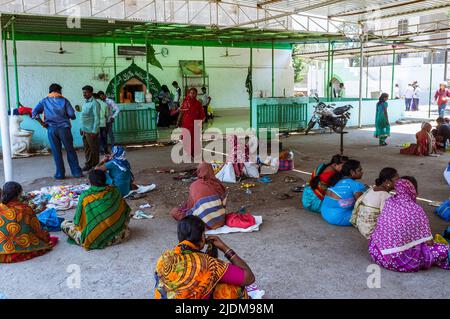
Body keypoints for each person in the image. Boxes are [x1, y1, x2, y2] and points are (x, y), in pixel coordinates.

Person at [154, 215, 255, 299]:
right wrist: (224, 248)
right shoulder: (209, 264)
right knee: (234, 288)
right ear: (202, 236)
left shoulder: (165, 258)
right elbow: (249, 278)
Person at [369, 177, 450, 272]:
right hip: (397, 261)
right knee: (443, 249)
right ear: (413, 190)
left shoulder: (389, 202)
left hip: (377, 253)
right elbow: (429, 242)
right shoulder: (415, 210)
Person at [61, 170, 131, 250]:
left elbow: (78, 222)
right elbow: (125, 211)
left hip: (96, 239)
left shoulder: (85, 196)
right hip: (121, 234)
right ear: (105, 179)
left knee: (64, 224)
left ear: (90, 182)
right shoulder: (115, 190)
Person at [32, 83, 82, 179]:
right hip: (64, 129)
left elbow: (34, 112)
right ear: (59, 91)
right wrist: (71, 116)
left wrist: (42, 123)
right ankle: (76, 172)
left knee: (56, 151)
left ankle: (60, 174)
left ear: (50, 91)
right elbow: (72, 115)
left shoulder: (44, 101)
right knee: (70, 150)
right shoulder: (64, 100)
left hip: (51, 129)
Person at [0, 182, 58, 263]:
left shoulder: (1, 208)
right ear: (18, 194)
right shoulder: (25, 209)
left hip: (2, 248)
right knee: (46, 237)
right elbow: (36, 230)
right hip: (21, 247)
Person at [171, 163, 227, 230]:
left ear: (199, 171)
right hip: (220, 222)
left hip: (202, 224)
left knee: (174, 211)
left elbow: (190, 205)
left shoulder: (194, 185)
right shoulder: (219, 184)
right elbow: (224, 204)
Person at [350, 167, 399, 239]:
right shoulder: (386, 196)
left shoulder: (371, 189)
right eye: (397, 180)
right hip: (370, 231)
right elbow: (387, 218)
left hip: (361, 226)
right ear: (387, 182)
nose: (399, 182)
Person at [320, 160, 366, 226]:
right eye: (359, 170)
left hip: (325, 212)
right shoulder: (355, 185)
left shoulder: (336, 179)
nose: (362, 172)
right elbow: (362, 204)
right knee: (370, 215)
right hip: (337, 217)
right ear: (352, 172)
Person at [79, 85, 101, 171]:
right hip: (85, 130)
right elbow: (83, 117)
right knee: (87, 149)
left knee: (94, 150)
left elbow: (97, 118)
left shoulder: (95, 103)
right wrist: (81, 128)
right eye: (83, 92)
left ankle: (96, 166)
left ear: (91, 93)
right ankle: (88, 164)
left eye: (86, 92)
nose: (84, 94)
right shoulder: (85, 102)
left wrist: (94, 131)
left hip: (91, 131)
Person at [179, 88, 206, 159]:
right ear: (188, 93)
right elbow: (181, 113)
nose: (192, 94)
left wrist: (201, 124)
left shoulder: (198, 103)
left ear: (196, 94)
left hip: (196, 124)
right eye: (191, 93)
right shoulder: (185, 102)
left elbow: (202, 115)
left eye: (194, 93)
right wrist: (178, 122)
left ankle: (194, 153)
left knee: (195, 139)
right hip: (187, 123)